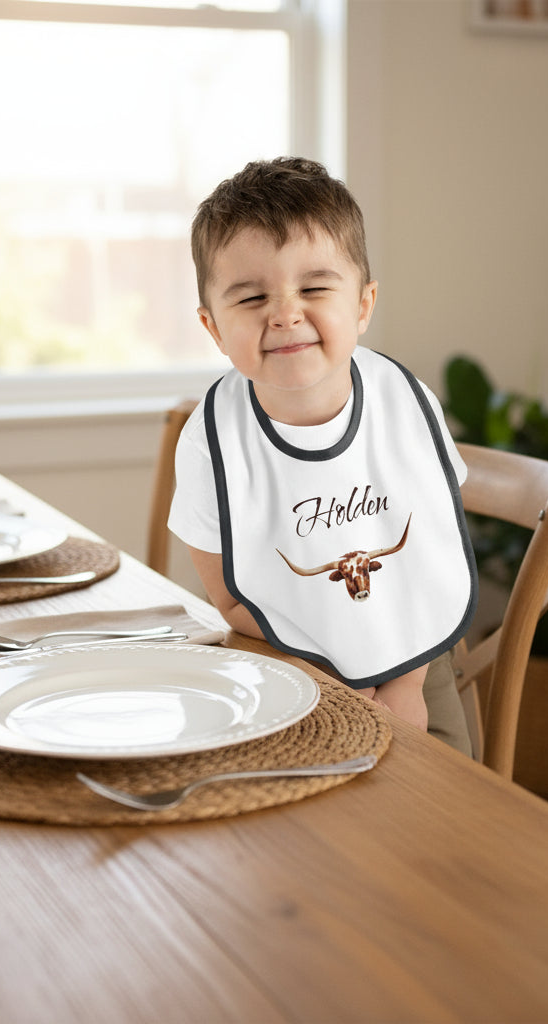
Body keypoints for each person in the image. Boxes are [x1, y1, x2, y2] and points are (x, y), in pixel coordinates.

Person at [168, 157, 477, 749]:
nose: (285, 313)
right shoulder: (211, 443)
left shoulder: (404, 406)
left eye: (313, 287)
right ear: (213, 328)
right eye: (251, 297)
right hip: (290, 661)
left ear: (363, 304)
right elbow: (233, 597)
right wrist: (326, 678)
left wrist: (404, 684)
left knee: (444, 805)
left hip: (416, 648)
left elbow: (429, 561)